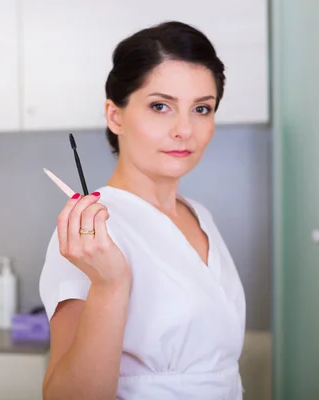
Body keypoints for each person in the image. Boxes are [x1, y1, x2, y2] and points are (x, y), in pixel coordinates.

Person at [39, 21, 246, 399]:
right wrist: (109, 285)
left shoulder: (199, 215)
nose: (185, 129)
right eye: (161, 106)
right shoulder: (91, 233)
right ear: (115, 116)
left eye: (202, 108)